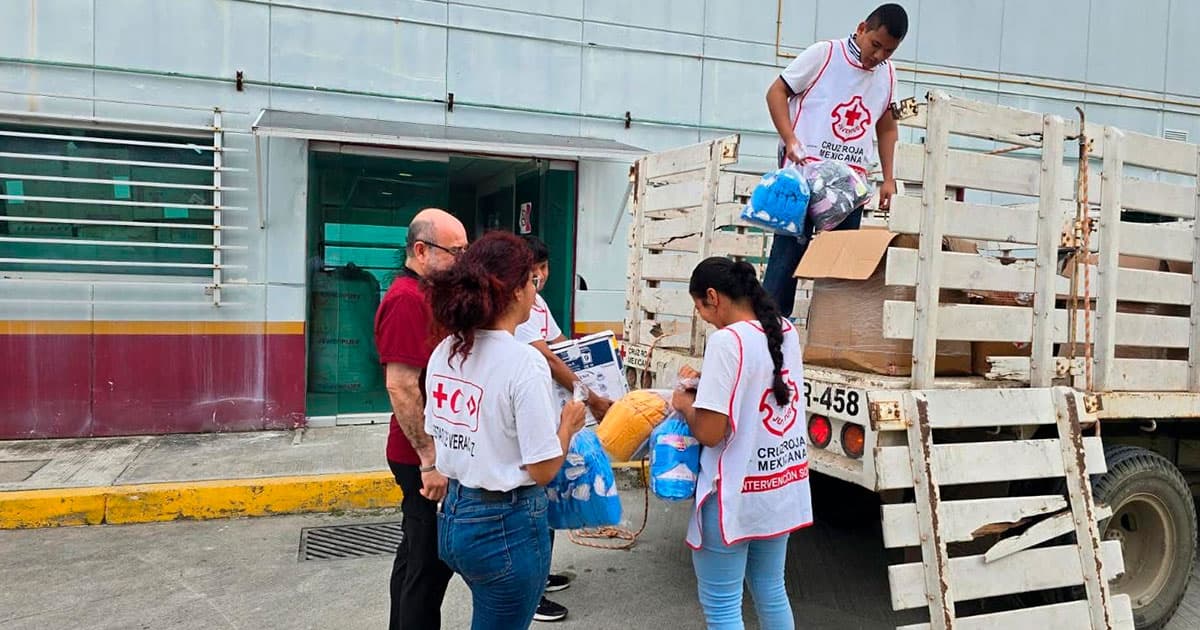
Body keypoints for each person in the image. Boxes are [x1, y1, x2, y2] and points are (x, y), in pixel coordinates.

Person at [423, 231, 588, 630]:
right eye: (532, 281)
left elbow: (439, 433)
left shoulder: (446, 349)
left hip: (454, 517)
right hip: (505, 525)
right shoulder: (523, 362)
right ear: (515, 291)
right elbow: (543, 469)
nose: (536, 290)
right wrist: (568, 425)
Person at [671, 258, 813, 630]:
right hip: (776, 488)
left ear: (712, 297)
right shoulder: (784, 330)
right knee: (771, 589)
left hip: (732, 492)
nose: (703, 317)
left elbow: (710, 432)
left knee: (722, 608)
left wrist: (684, 404)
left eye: (699, 307)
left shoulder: (726, 341)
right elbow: (756, 384)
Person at [761, 3, 909, 317]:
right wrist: (790, 138)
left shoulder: (888, 74)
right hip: (803, 175)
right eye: (875, 45)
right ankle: (770, 331)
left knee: (839, 267)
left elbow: (886, 126)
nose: (879, 55)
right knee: (786, 258)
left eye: (889, 51)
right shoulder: (825, 54)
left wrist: (889, 178)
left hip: (848, 187)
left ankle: (829, 334)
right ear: (861, 29)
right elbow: (776, 92)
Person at [374, 208, 467, 629]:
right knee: (429, 568)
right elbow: (401, 386)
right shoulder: (406, 301)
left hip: (426, 452)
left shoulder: (427, 295)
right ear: (421, 250)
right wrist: (430, 460)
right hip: (419, 457)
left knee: (415, 557)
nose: (462, 261)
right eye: (455, 252)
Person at [513, 235, 610, 622]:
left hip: (548, 413)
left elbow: (563, 347)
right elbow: (550, 360)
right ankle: (530, 594)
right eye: (532, 270)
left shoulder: (537, 304)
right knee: (533, 503)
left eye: (544, 267)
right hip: (530, 414)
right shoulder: (516, 307)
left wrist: (598, 365)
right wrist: (591, 396)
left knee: (545, 500)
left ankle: (539, 575)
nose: (540, 276)